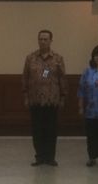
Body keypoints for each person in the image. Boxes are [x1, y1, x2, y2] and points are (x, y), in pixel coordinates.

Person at [22, 29, 67, 167]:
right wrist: (25, 96)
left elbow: (62, 79)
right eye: (40, 39)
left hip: (52, 100)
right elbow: (25, 77)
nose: (42, 41)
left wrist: (63, 97)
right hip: (35, 100)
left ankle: (50, 157)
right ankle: (39, 157)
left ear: (51, 41)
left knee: (51, 130)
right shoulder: (30, 58)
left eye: (45, 39)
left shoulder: (58, 58)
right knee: (37, 130)